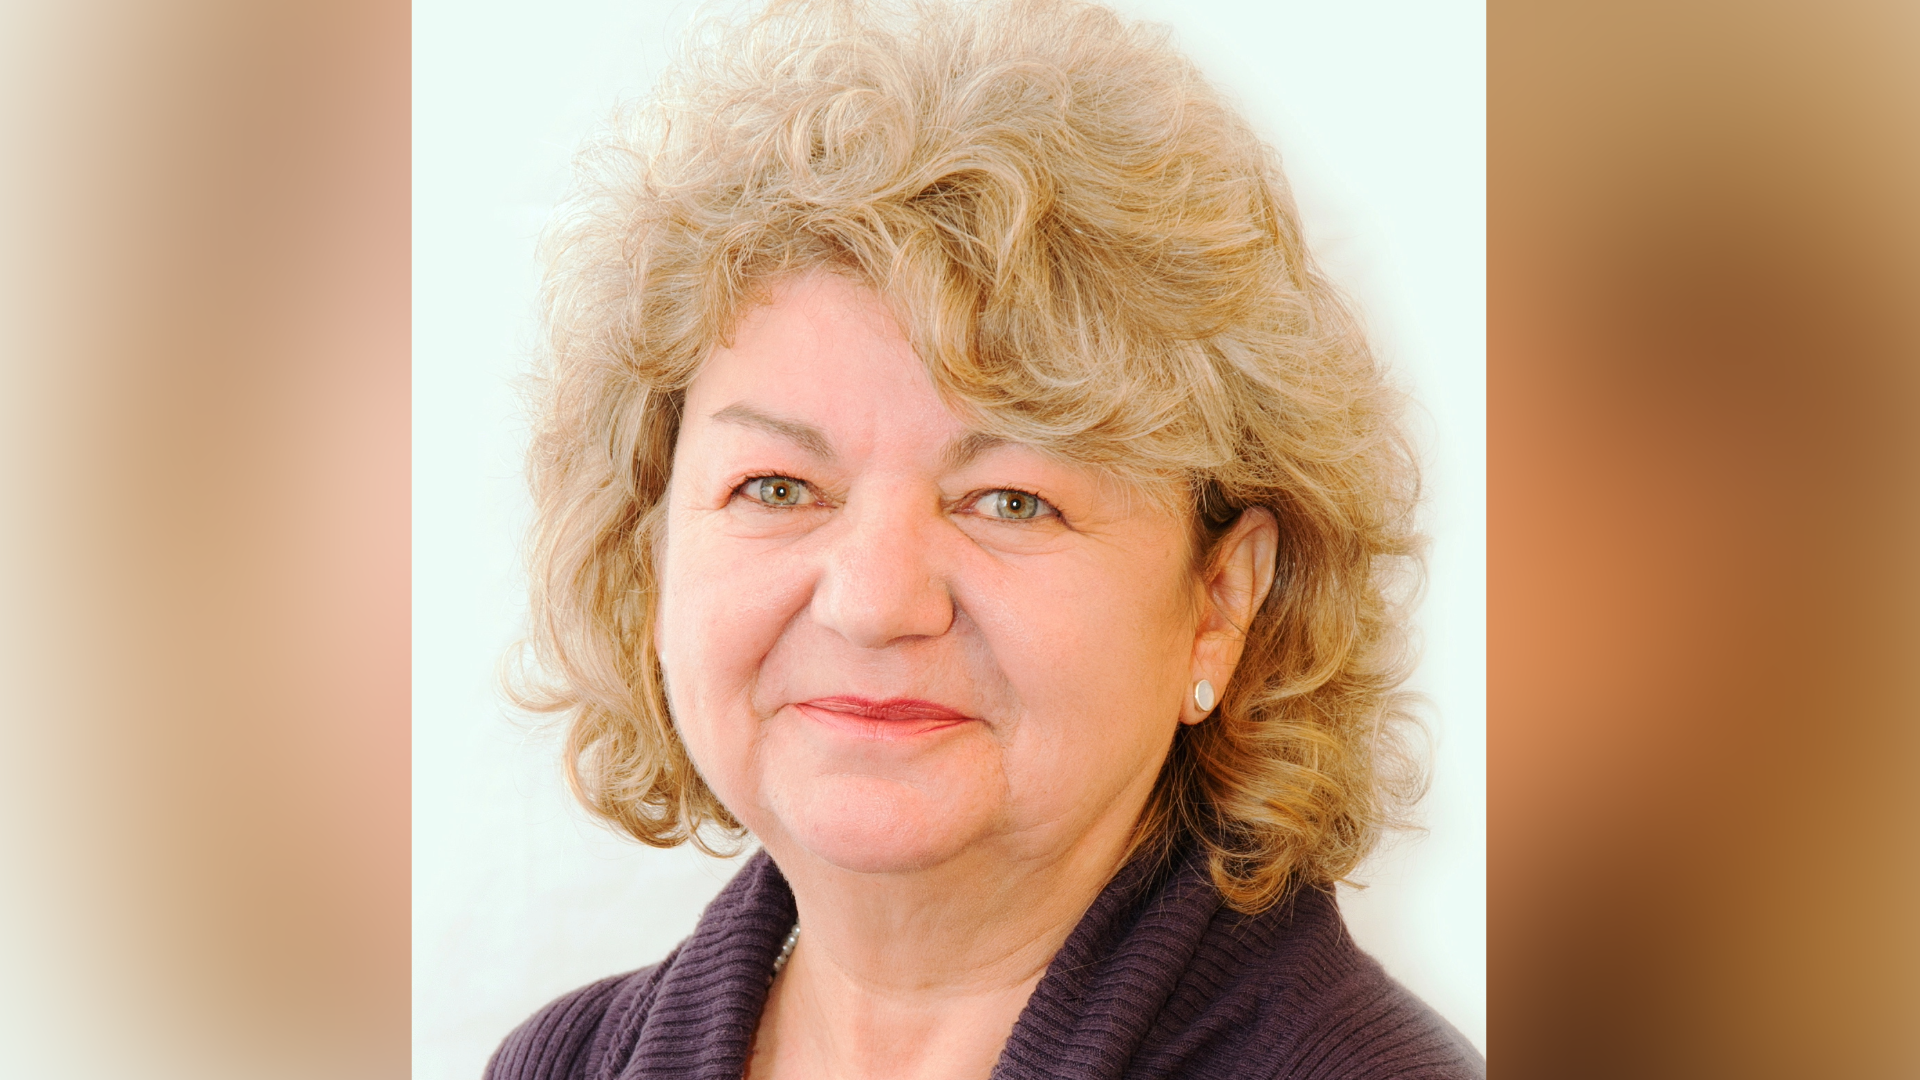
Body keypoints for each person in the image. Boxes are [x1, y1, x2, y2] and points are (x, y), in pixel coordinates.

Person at [489, 1, 1482, 1076]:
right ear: (650, 552)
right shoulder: (564, 1063)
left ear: (1219, 602)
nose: (874, 603)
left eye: (1010, 500)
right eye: (777, 487)